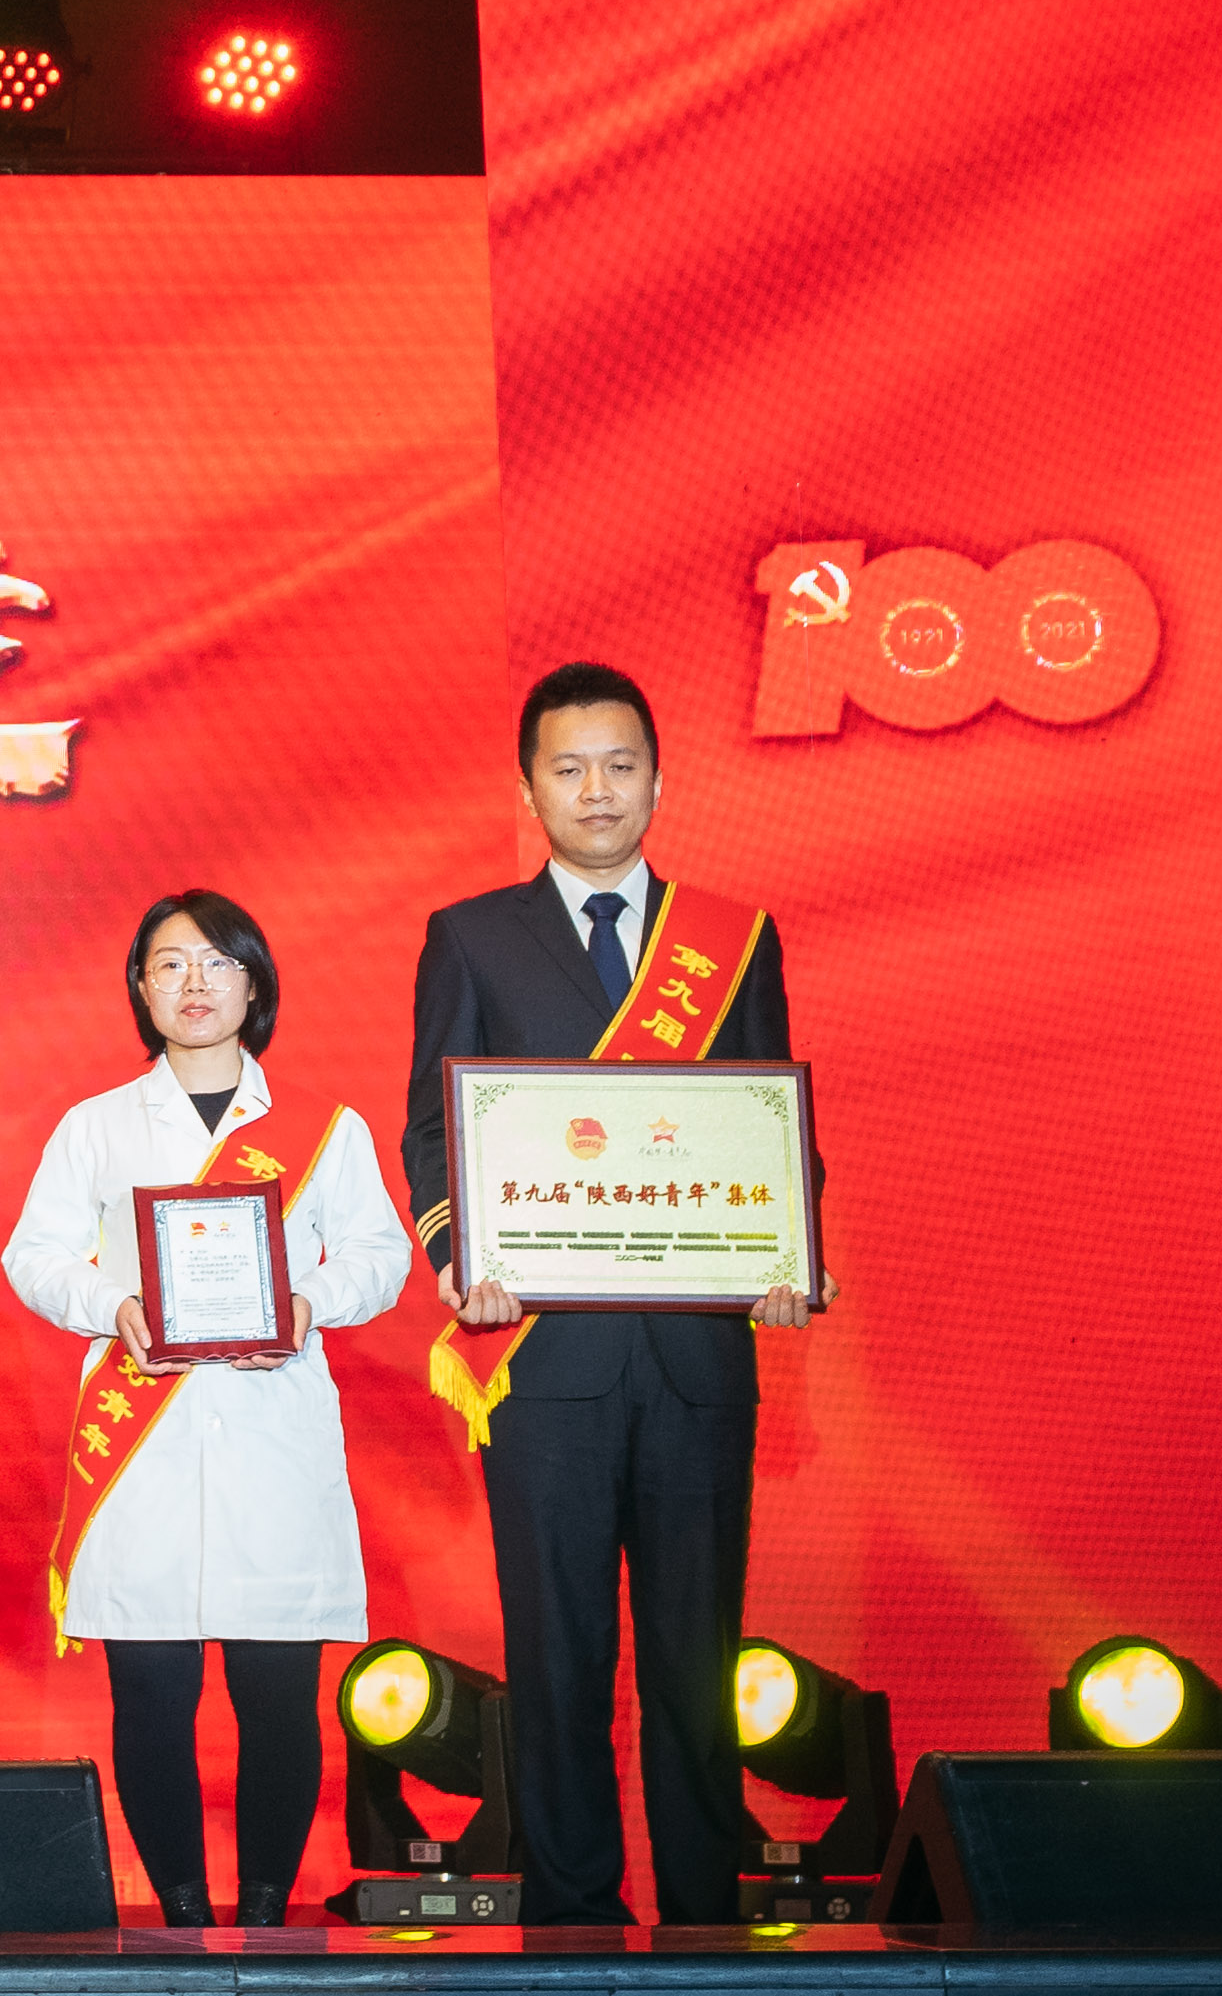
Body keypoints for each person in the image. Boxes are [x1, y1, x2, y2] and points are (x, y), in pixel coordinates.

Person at [403, 660, 819, 1928]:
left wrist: (788, 1251)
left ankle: (705, 1923)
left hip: (698, 1360)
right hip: (544, 1364)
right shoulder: (472, 935)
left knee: (699, 1663)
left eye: (621, 763)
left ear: (658, 779)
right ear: (527, 787)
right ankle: (572, 1924)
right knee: (557, 1659)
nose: (597, 788)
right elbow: (434, 1128)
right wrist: (455, 1255)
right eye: (569, 766)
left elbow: (772, 1123)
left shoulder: (733, 939)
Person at [0, 891, 411, 1928]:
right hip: (139, 1435)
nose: (194, 982)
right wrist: (113, 1305)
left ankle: (265, 1918)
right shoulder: (96, 1125)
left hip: (274, 1428)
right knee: (150, 1692)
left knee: (277, 1695)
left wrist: (308, 1301)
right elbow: (33, 1254)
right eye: (169, 963)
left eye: (217, 962)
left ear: (254, 983)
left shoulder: (326, 1127)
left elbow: (383, 1254)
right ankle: (181, 1917)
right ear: (140, 986)